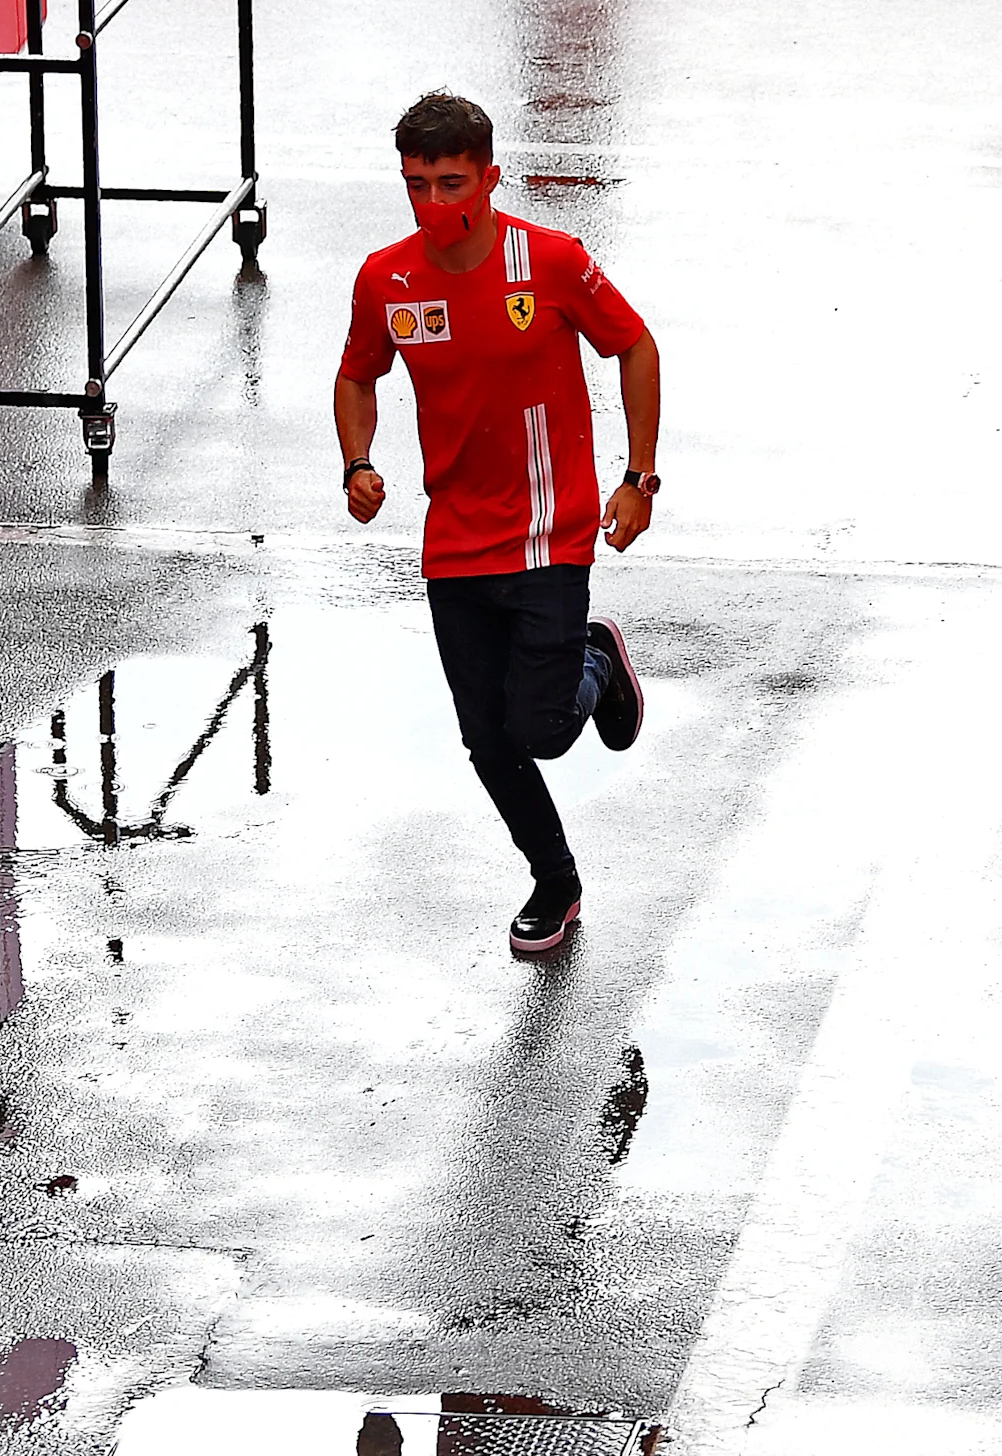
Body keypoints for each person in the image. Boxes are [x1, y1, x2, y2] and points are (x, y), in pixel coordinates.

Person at [336, 90, 662, 956]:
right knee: (487, 738)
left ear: (489, 178)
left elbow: (634, 344)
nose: (433, 204)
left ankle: (596, 656)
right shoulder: (386, 279)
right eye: (416, 185)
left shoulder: (551, 262)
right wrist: (358, 463)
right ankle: (555, 881)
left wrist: (639, 478)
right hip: (454, 542)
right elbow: (358, 375)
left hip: (551, 533)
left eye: (451, 184)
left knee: (542, 730)